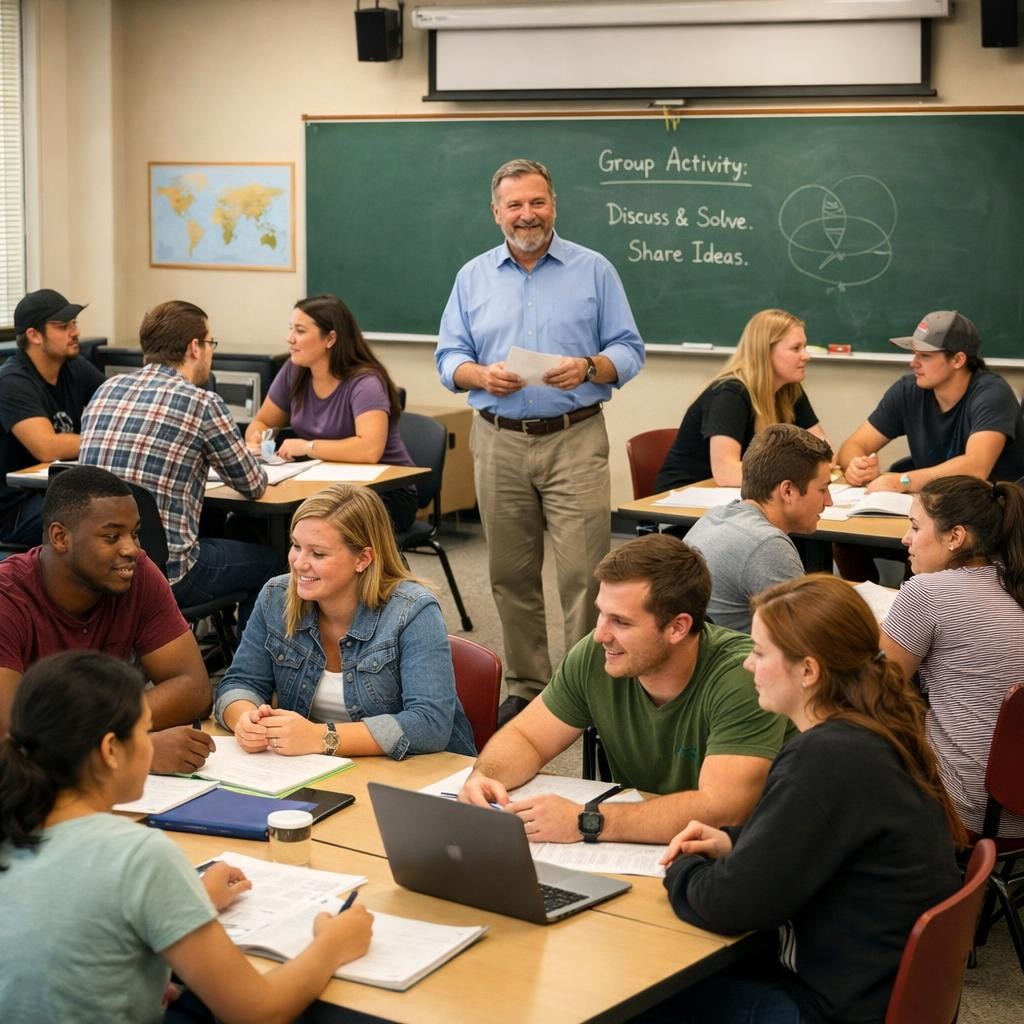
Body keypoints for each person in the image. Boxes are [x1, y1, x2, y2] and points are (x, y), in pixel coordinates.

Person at [0, 650, 373, 1024]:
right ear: (111, 750)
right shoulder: (138, 855)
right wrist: (333, 945)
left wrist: (190, 902)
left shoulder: (15, 825)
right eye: (145, 731)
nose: (151, 745)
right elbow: (260, 1011)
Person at [659, 574, 963, 1024]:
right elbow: (821, 838)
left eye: (760, 653)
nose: (748, 665)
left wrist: (680, 869)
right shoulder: (872, 730)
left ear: (808, 670)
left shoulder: (826, 757)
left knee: (642, 1002)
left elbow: (732, 905)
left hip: (830, 1008)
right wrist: (738, 843)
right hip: (877, 992)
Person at [436, 157, 645, 724]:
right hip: (498, 439)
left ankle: (588, 686)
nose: (527, 215)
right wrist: (479, 376)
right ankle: (530, 685)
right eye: (515, 205)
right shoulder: (472, 277)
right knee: (509, 573)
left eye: (537, 202)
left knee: (585, 573)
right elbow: (447, 358)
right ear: (496, 212)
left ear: (554, 204)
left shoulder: (593, 270)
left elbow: (630, 349)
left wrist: (591, 366)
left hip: (573, 437)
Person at [458, 534, 790, 844]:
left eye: (621, 621)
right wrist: (486, 778)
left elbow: (722, 810)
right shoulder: (598, 654)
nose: (601, 634)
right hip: (644, 847)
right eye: (601, 613)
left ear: (678, 627)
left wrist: (587, 820)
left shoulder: (745, 675)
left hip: (745, 853)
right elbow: (526, 738)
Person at [215, 483, 475, 760]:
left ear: (363, 558)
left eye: (318, 553)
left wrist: (321, 737)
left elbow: (429, 725)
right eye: (296, 546)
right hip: (320, 769)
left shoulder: (412, 610)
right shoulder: (276, 595)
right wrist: (245, 719)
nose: (299, 563)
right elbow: (240, 682)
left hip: (415, 774)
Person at [0, 467, 214, 774]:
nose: (133, 549)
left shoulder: (136, 573)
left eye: (135, 533)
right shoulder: (7, 598)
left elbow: (194, 689)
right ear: (60, 537)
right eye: (112, 536)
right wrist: (130, 751)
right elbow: (12, 741)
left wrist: (96, 730)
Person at [79, 300, 279, 628]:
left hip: (95, 566)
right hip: (165, 573)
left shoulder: (105, 390)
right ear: (194, 348)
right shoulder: (203, 403)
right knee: (269, 564)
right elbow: (253, 484)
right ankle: (248, 675)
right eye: (210, 343)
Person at [880, 475, 1024, 836]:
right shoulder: (1015, 582)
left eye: (915, 527)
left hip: (968, 813)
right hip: (1013, 811)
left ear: (955, 537)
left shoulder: (927, 593)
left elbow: (873, 690)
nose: (905, 539)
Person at [244, 294, 418, 532]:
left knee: (306, 528)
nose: (290, 338)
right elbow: (263, 420)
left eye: (300, 331)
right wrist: (256, 438)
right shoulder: (294, 370)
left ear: (331, 338)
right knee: (247, 522)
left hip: (384, 493)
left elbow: (369, 450)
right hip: (324, 486)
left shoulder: (365, 382)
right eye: (290, 329)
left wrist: (307, 447)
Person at [838, 310, 1024, 494]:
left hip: (993, 510)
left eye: (925, 356)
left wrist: (903, 481)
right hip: (935, 505)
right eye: (914, 353)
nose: (914, 363)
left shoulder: (992, 395)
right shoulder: (908, 390)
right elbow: (853, 445)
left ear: (958, 360)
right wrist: (857, 465)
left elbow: (975, 469)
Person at [655, 309, 826, 492]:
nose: (806, 356)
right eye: (796, 348)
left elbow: (824, 452)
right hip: (683, 506)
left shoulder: (789, 389)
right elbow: (726, 472)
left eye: (805, 347)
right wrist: (795, 471)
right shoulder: (729, 394)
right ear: (765, 352)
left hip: (737, 500)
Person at [684, 424, 833, 632]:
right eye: (823, 489)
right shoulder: (767, 545)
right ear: (787, 491)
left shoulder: (714, 516)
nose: (829, 501)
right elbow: (811, 636)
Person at [0, 288, 104, 546]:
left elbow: (121, 406)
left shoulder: (73, 366)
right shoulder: (12, 381)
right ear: (34, 335)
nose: (76, 332)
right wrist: (106, 439)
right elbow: (46, 447)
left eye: (75, 323)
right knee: (103, 520)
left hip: (58, 494)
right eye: (64, 326)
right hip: (14, 511)